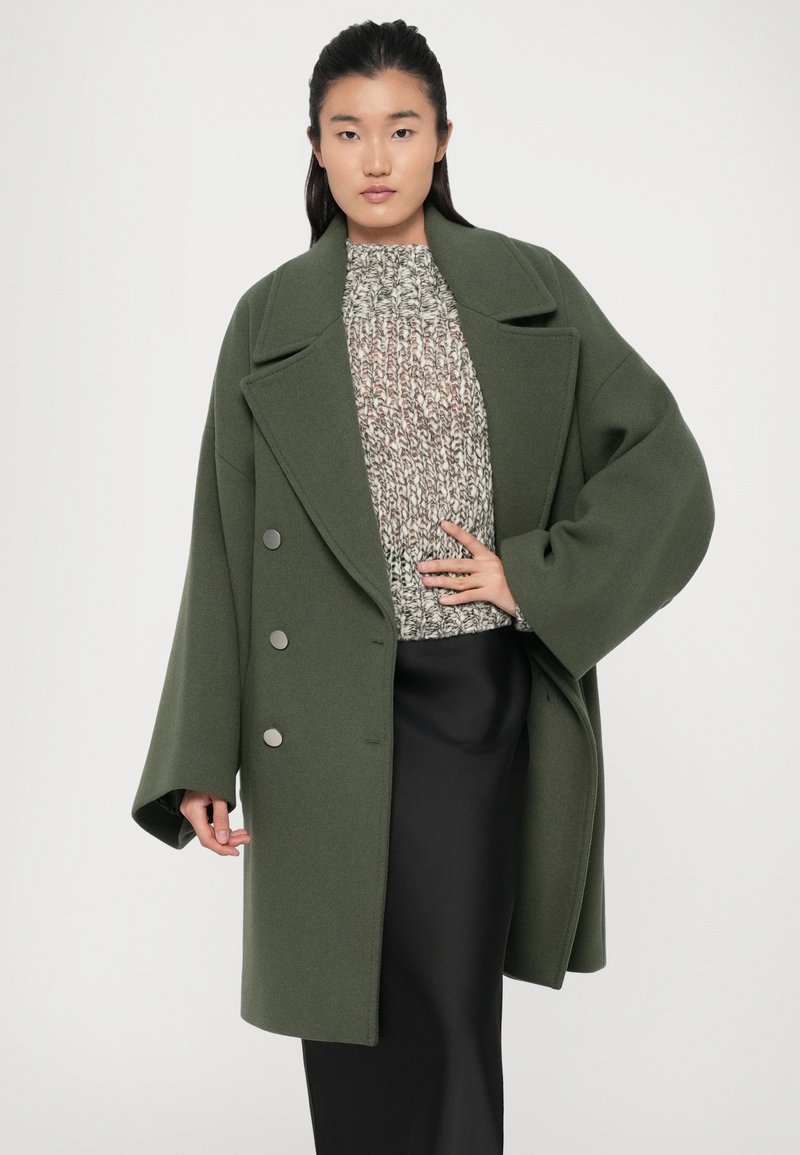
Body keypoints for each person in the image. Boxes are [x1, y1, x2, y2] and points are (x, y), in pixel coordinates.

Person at [131, 18, 715, 1154]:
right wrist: (202, 754)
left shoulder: (527, 286)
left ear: (443, 139)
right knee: (346, 1029)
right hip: (313, 710)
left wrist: (533, 576)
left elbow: (667, 471)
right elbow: (221, 543)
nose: (375, 158)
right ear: (315, 145)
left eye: (400, 130)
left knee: (447, 1010)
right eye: (347, 132)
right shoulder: (267, 318)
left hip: (467, 697)